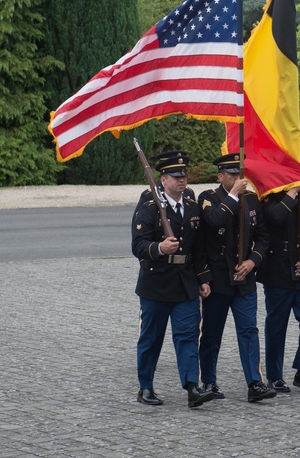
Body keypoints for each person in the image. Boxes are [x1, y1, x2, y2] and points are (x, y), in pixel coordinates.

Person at [131, 150, 217, 408]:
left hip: (185, 282)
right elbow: (138, 245)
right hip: (156, 282)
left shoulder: (191, 206)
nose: (182, 180)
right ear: (163, 178)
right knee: (151, 338)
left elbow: (199, 248)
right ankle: (145, 387)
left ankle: (192, 387)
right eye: (175, 176)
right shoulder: (149, 206)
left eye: (184, 175)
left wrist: (204, 278)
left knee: (188, 336)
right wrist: (158, 248)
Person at [197, 153, 276, 403]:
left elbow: (263, 237)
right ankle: (209, 382)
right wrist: (233, 195)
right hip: (218, 279)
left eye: (239, 174)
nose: (237, 179)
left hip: (245, 279)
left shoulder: (252, 199)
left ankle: (255, 383)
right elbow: (215, 220)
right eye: (231, 175)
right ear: (220, 176)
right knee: (211, 334)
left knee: (249, 331)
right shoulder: (208, 198)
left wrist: (253, 261)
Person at [258, 187, 300, 394]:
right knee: (277, 326)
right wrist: (290, 194)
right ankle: (275, 376)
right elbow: (275, 218)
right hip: (278, 271)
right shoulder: (269, 198)